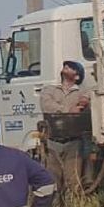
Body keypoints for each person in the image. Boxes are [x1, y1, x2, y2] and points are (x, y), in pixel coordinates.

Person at [39, 61, 91, 197]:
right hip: (52, 142)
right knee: (53, 183)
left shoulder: (82, 92)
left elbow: (88, 101)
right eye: (66, 66)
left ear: (77, 77)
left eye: (72, 68)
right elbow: (46, 105)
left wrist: (84, 101)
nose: (66, 67)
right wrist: (68, 109)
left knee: (73, 183)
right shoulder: (49, 90)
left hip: (73, 143)